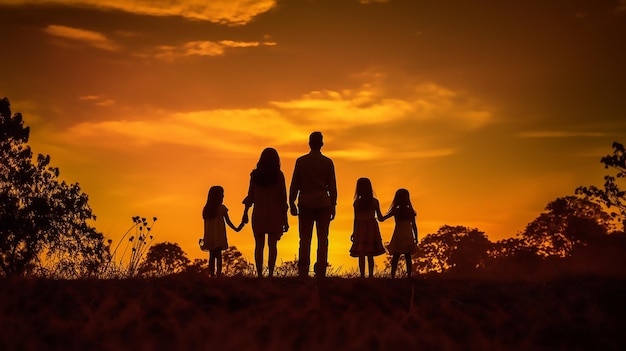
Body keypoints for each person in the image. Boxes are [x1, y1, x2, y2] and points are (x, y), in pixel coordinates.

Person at [289, 131, 337, 278]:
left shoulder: (301, 161)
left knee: (305, 238)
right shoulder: (327, 162)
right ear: (321, 144)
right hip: (323, 202)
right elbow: (332, 185)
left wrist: (291, 202)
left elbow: (295, 183)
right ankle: (321, 268)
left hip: (305, 202)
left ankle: (303, 269)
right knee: (323, 238)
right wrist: (333, 204)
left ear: (309, 143)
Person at [242, 148, 289, 278]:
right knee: (272, 245)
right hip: (274, 214)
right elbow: (283, 198)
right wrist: (285, 219)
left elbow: (250, 196)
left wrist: (245, 213)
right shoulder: (278, 175)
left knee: (259, 245)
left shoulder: (255, 175)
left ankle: (259, 274)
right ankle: (271, 273)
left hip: (259, 214)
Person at [201, 185, 245, 277]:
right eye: (222, 195)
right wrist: (237, 228)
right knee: (218, 256)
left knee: (212, 256)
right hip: (219, 236)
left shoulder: (206, 210)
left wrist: (205, 237)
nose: (223, 197)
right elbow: (228, 222)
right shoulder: (222, 208)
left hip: (210, 236)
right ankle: (218, 275)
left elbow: (205, 226)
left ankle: (213, 275)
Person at [349, 178, 386, 278]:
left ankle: (362, 275)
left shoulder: (357, 203)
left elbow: (355, 219)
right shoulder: (374, 202)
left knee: (361, 253)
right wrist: (390, 214)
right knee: (370, 253)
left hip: (361, 228)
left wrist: (354, 232)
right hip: (371, 227)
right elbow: (380, 218)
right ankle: (370, 275)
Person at [381, 188, 418, 278]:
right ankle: (409, 275)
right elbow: (414, 226)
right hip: (408, 235)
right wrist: (416, 237)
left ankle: (392, 275)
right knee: (408, 257)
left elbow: (383, 219)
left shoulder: (396, 210)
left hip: (398, 234)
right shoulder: (410, 211)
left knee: (396, 257)